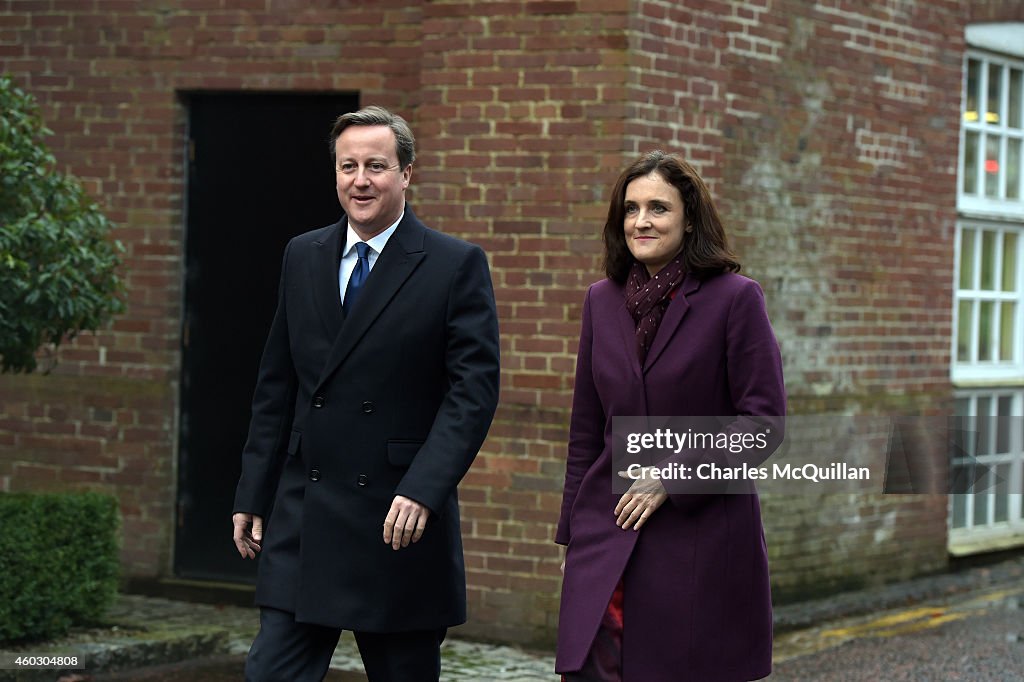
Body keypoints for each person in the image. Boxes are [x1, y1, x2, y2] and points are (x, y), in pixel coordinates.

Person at [231, 105, 500, 682]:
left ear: (407, 173)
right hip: (306, 513)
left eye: (376, 165)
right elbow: (276, 386)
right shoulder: (301, 255)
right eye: (347, 165)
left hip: (397, 520)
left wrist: (424, 490)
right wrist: (252, 491)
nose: (360, 180)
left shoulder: (455, 265)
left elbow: (471, 395)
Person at [555, 150, 786, 681]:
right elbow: (585, 431)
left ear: (688, 219)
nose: (641, 221)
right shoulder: (600, 300)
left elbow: (764, 423)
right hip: (607, 531)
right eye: (631, 208)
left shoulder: (735, 299)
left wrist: (673, 477)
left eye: (658, 207)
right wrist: (570, 533)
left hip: (700, 540)